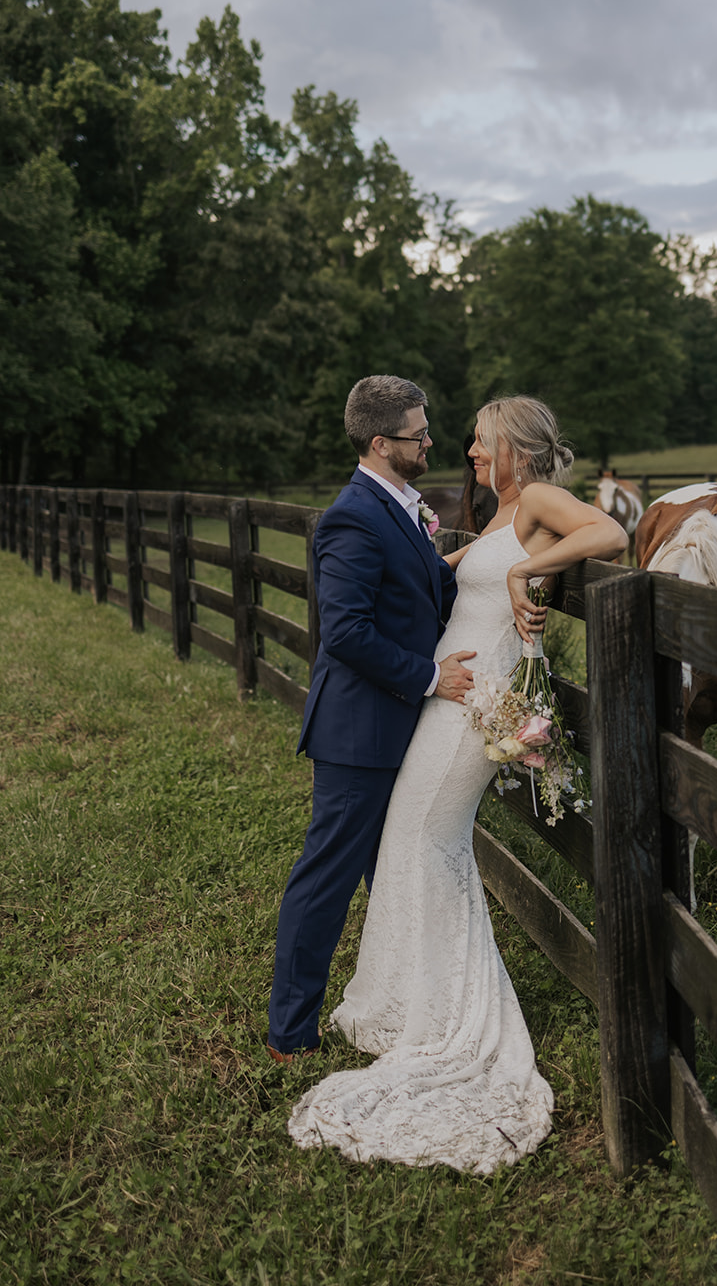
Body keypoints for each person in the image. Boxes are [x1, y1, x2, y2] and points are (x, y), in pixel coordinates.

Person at [286, 395, 628, 1173]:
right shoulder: (501, 509)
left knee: (423, 839)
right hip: (451, 692)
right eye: (466, 440)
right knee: (411, 841)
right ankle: (408, 1003)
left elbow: (609, 531)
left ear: (516, 446)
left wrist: (525, 570)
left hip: (473, 699)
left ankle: (448, 1021)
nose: (467, 452)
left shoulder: (536, 498)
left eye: (480, 442)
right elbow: (435, 581)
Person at [267, 375, 475, 1062]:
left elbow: (415, 585)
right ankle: (289, 1034)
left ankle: (399, 1006)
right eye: (420, 434)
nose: (431, 442)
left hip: (392, 729)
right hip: (359, 734)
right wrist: (429, 677)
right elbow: (346, 632)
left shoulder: (396, 507)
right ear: (383, 443)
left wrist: (490, 561)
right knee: (325, 881)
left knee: (391, 876)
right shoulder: (353, 515)